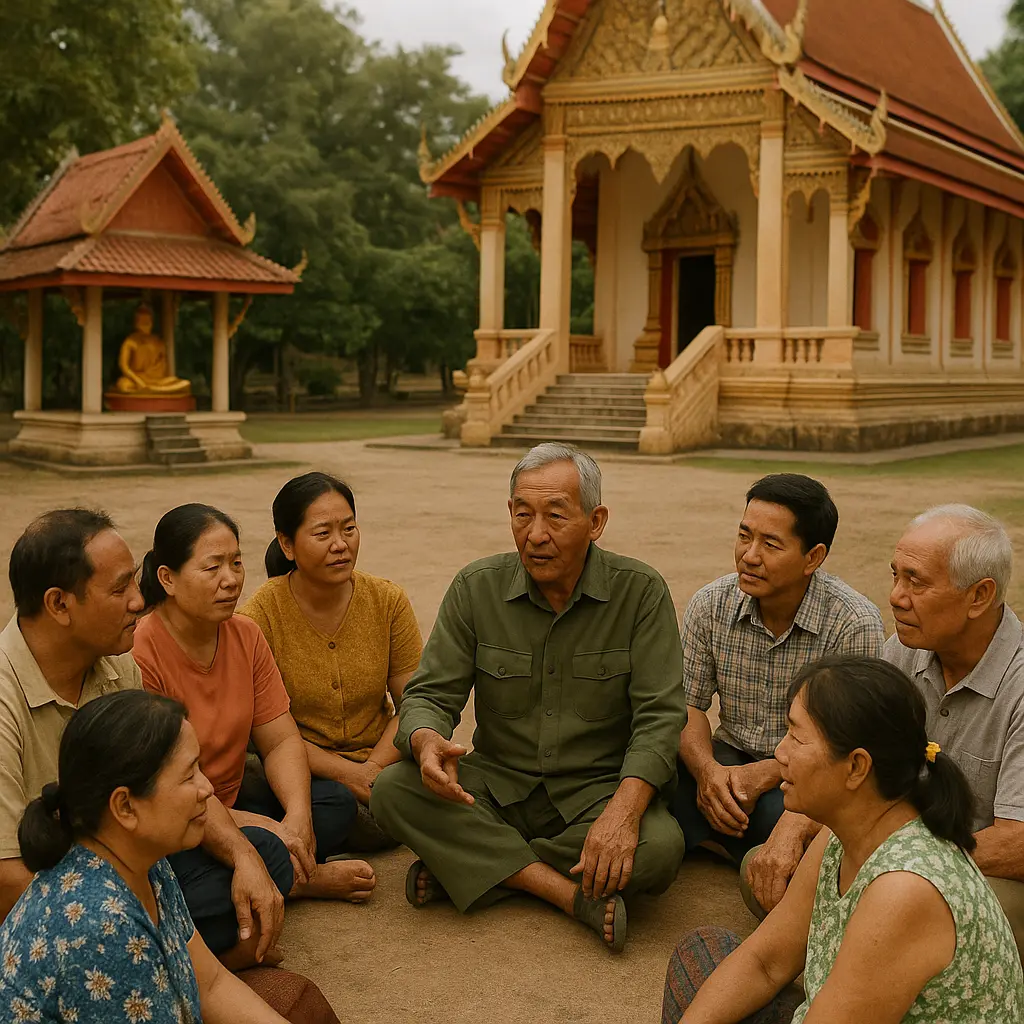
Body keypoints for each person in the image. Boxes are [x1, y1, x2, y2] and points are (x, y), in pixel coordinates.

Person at [370, 443, 687, 952]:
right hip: (496, 787)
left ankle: (477, 866)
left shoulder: (641, 593)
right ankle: (563, 893)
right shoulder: (476, 587)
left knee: (661, 848)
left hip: (596, 794)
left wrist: (623, 815)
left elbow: (660, 718)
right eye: (523, 514)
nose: (535, 534)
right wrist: (426, 740)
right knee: (392, 789)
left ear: (596, 521)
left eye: (555, 516)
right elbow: (430, 693)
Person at [663, 656, 1024, 1024]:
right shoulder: (843, 833)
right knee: (702, 953)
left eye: (796, 737)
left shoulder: (903, 890)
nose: (780, 753)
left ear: (856, 767)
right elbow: (767, 962)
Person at [0, 509, 284, 970]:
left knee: (261, 858)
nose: (138, 600)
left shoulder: (117, 666)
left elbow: (179, 779)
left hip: (127, 865)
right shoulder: (5, 698)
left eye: (134, 581)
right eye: (119, 589)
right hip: (53, 904)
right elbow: (7, 878)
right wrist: (133, 922)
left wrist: (243, 856)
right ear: (59, 605)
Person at [744, 505, 1024, 962]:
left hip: (977, 869)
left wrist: (891, 864)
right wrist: (790, 830)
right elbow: (846, 755)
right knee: (763, 872)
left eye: (916, 582)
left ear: (979, 596)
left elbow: (1017, 842)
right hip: (897, 848)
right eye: (896, 575)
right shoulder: (904, 650)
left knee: (927, 915)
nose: (895, 596)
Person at [132, 504, 377, 952]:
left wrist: (297, 817)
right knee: (245, 855)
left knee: (334, 804)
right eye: (212, 567)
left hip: (234, 798)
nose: (231, 579)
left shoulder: (245, 635)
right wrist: (268, 829)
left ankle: (277, 869)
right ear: (167, 578)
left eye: (236, 562)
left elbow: (280, 738)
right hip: (181, 815)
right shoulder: (141, 654)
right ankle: (301, 879)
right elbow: (170, 786)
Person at [0, 688, 292, 1023]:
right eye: (189, 775)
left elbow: (210, 984)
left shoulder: (145, 861)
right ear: (125, 806)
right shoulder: (103, 928)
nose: (207, 788)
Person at [672, 474, 884, 869]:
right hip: (727, 759)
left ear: (813, 558)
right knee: (659, 775)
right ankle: (729, 836)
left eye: (771, 544)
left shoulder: (853, 623)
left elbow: (851, 741)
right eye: (744, 536)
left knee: (820, 814)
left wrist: (767, 773)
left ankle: (717, 838)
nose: (749, 556)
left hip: (806, 772)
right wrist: (707, 772)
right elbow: (689, 705)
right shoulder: (711, 604)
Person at [240, 472, 422, 848]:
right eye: (323, 534)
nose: (341, 545)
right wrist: (348, 776)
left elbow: (414, 702)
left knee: (451, 773)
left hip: (383, 766)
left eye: (349, 529)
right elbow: (266, 732)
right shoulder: (260, 616)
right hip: (304, 771)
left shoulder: (388, 601)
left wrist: (372, 769)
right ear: (287, 544)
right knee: (315, 798)